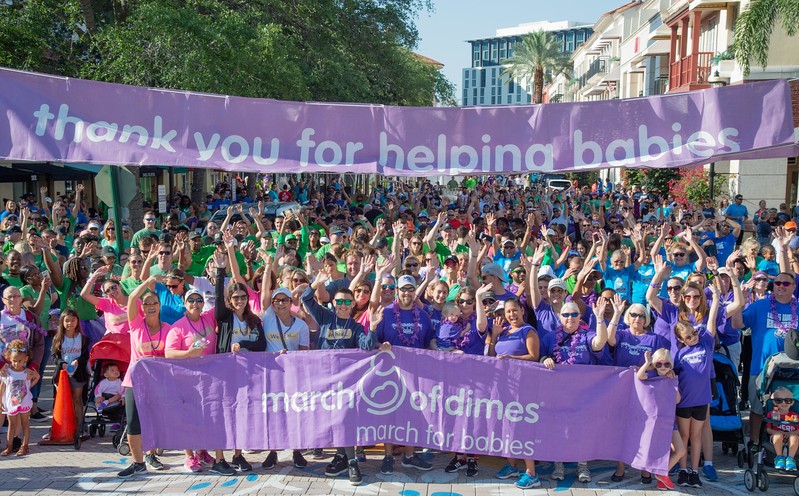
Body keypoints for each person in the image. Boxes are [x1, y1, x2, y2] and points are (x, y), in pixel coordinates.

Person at [298, 283, 376, 485]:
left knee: (344, 419)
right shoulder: (325, 317)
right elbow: (306, 299)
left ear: (352, 305)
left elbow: (366, 346)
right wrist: (317, 281)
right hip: (323, 379)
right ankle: (341, 457)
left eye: (347, 302)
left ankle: (351, 462)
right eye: (339, 301)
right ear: (334, 303)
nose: (343, 305)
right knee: (334, 420)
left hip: (346, 384)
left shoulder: (356, 327)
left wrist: (373, 328)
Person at [371, 275, 437, 474]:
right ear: (396, 291)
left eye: (410, 289)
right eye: (403, 289)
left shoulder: (423, 316)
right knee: (389, 414)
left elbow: (429, 341)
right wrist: (380, 345)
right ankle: (388, 456)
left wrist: (440, 350)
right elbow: (372, 340)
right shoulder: (386, 312)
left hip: (415, 374)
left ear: (415, 291)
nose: (406, 293)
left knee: (414, 414)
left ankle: (409, 455)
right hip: (389, 374)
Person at [540, 300, 609, 482]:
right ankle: (559, 464)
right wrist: (545, 359)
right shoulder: (550, 337)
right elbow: (540, 356)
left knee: (582, 430)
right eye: (565, 315)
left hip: (584, 394)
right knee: (559, 429)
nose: (569, 318)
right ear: (559, 317)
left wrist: (600, 318)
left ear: (580, 317)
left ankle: (582, 465)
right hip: (558, 393)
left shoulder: (588, 335)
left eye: (574, 314)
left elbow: (599, 343)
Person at [476, 290, 540, 487]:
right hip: (503, 387)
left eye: (515, 311)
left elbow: (534, 356)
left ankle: (531, 473)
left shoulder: (528, 331)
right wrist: (494, 337)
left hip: (523, 387)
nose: (512, 315)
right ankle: (512, 465)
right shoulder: (503, 332)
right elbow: (494, 355)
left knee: (522, 428)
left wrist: (512, 359)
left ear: (522, 310)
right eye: (508, 312)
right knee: (507, 427)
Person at [213, 252, 266, 473]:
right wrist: (220, 271)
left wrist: (243, 343)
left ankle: (237, 455)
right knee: (223, 413)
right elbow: (217, 299)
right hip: (225, 371)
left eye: (242, 297)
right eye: (235, 298)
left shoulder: (254, 320)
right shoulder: (225, 317)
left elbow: (261, 344)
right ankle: (219, 459)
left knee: (240, 413)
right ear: (230, 300)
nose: (239, 301)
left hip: (247, 373)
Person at [116, 275, 170, 478]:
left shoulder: (169, 329)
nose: (150, 306)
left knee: (155, 421)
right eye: (146, 303)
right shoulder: (136, 324)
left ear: (159, 305)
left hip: (158, 383)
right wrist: (147, 283)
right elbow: (131, 300)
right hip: (134, 382)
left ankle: (151, 455)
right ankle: (137, 462)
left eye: (154, 303)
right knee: (134, 422)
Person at [637, 348, 685, 490]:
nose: (663, 367)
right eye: (659, 364)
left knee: (680, 450)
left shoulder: (671, 377)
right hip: (654, 420)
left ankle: (662, 474)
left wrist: (673, 383)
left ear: (671, 364)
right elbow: (640, 376)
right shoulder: (651, 374)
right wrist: (647, 363)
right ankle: (662, 477)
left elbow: (677, 400)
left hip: (669, 419)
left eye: (666, 364)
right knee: (660, 450)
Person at [50, 309, 90, 438]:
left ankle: (79, 426)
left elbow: (85, 356)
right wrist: (62, 363)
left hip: (78, 374)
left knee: (77, 399)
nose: (70, 323)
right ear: (62, 322)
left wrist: (77, 361)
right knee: (60, 399)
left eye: (73, 320)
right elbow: (54, 356)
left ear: (77, 321)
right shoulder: (58, 338)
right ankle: (57, 426)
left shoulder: (83, 339)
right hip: (62, 374)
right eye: (67, 320)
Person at [0, 339, 39, 456]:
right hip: (11, 403)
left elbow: (34, 381)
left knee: (25, 423)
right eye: (14, 361)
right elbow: (2, 386)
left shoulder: (27, 372)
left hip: (24, 402)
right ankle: (9, 446)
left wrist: (34, 380)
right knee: (11, 425)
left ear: (26, 359)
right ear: (9, 359)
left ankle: (24, 446)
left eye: (20, 361)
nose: (17, 363)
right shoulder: (7, 372)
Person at [767, 387, 799, 471]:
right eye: (779, 400)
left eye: (787, 400)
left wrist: (791, 433)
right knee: (778, 434)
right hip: (776, 438)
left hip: (791, 438)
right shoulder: (772, 414)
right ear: (774, 402)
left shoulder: (794, 416)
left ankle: (790, 459)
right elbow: (768, 429)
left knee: (794, 436)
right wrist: (777, 431)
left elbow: (798, 429)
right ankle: (779, 457)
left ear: (792, 403)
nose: (783, 403)